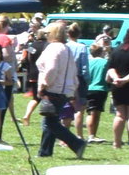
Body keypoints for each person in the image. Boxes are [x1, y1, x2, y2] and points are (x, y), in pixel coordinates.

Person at [29, 21, 90, 158]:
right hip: (65, 90)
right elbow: (73, 70)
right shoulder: (66, 48)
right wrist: (73, 88)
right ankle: (45, 152)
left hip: (53, 89)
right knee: (50, 120)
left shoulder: (53, 48)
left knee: (51, 123)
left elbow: (51, 69)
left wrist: (44, 85)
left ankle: (77, 144)